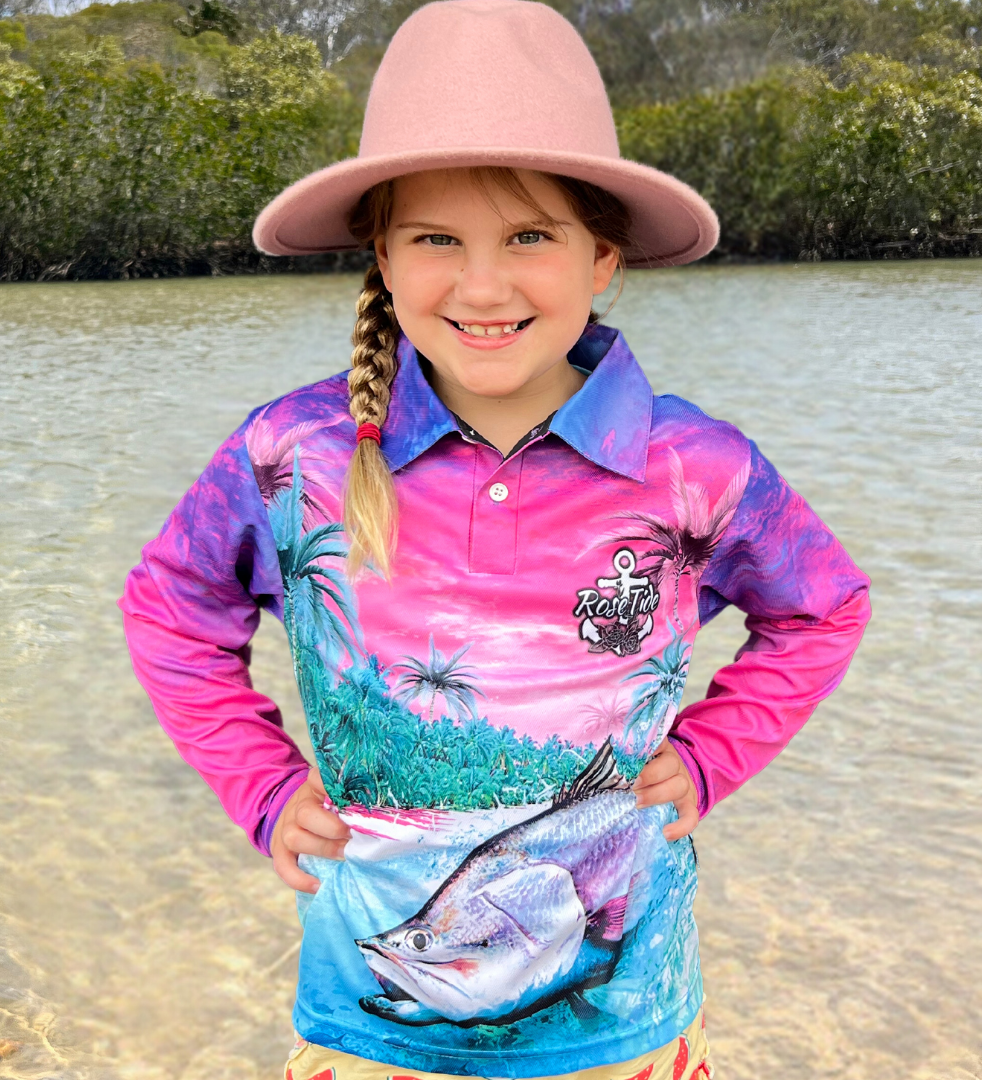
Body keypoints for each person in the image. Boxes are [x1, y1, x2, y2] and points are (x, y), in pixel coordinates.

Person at [120, 2, 871, 1078]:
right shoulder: (294, 450)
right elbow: (170, 609)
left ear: (602, 256)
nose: (482, 285)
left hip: (624, 1028)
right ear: (381, 254)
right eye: (436, 239)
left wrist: (710, 757)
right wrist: (263, 785)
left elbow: (823, 607)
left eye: (529, 236)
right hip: (369, 1029)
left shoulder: (695, 465)